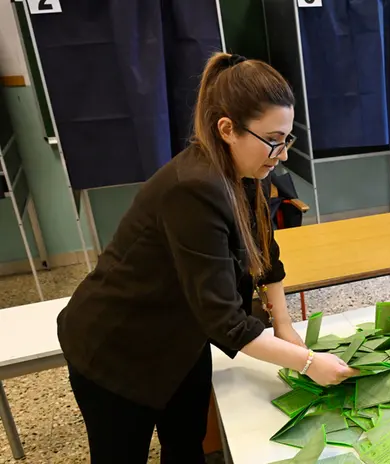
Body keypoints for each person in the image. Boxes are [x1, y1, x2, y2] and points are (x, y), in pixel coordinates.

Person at [56, 53, 357, 463]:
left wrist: (285, 326)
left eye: (287, 139)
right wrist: (308, 363)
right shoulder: (193, 189)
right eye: (274, 139)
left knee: (187, 443)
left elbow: (266, 254)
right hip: (117, 347)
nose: (282, 154)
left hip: (182, 336)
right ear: (227, 129)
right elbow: (225, 321)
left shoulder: (245, 170)